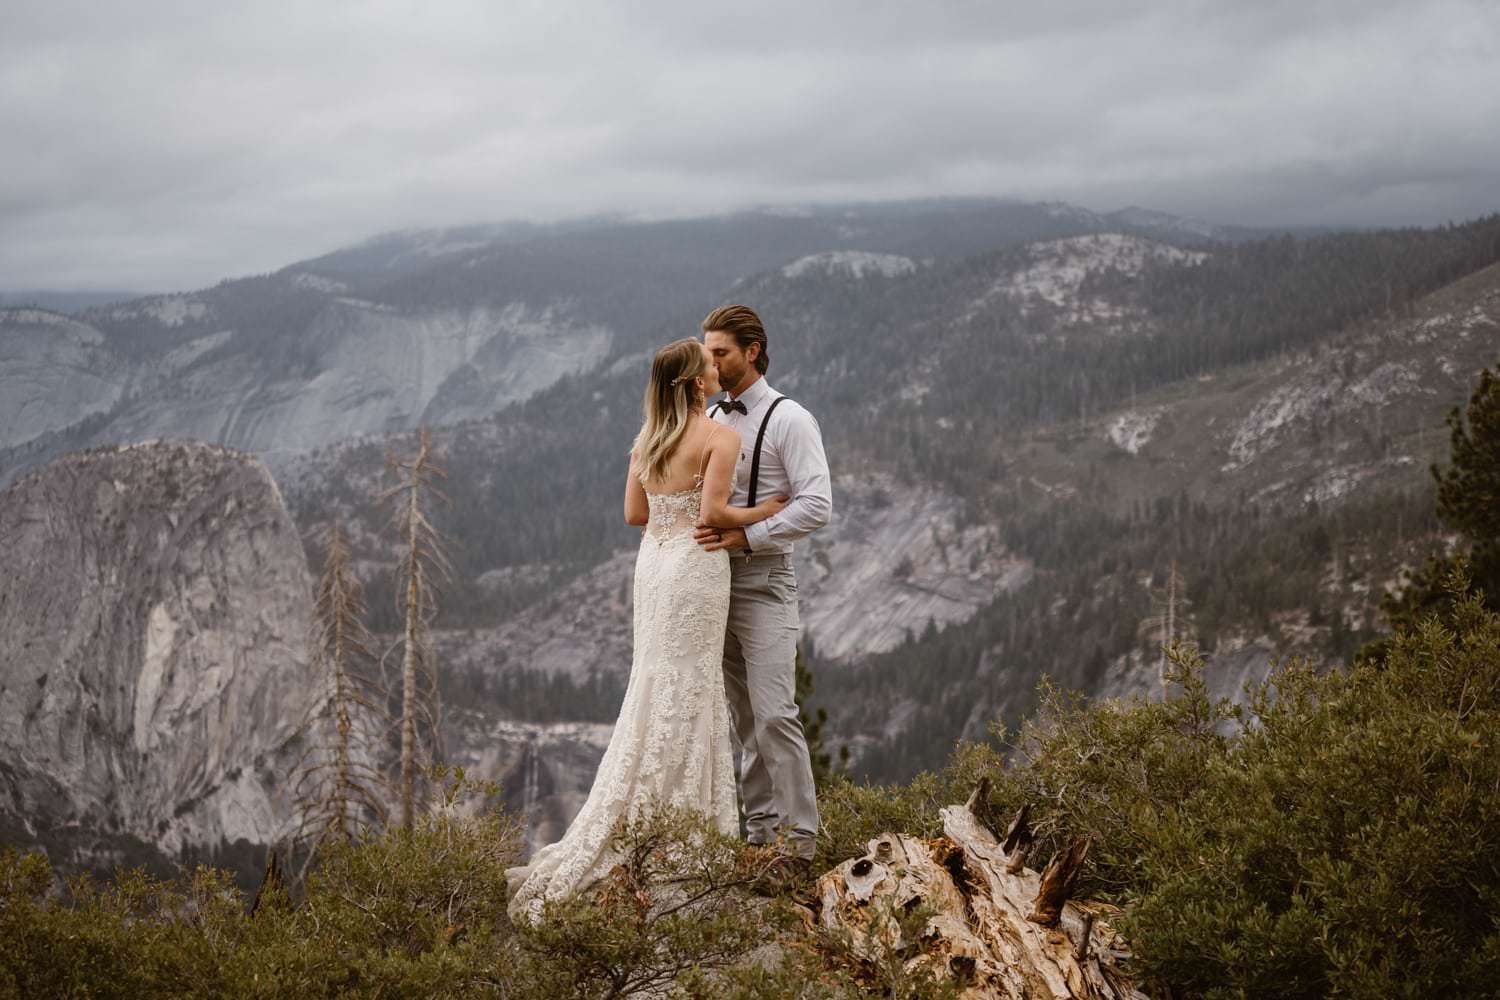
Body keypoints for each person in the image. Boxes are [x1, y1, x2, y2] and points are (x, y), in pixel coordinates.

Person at [507, 338, 788, 923]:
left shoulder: (646, 438)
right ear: (693, 383)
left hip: (655, 566)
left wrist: (671, 515)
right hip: (696, 565)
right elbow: (713, 515)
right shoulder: (719, 437)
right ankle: (687, 825)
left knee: (655, 683)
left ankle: (639, 813)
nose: (717, 370)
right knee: (692, 685)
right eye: (708, 365)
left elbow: (636, 515)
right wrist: (767, 511)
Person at [694, 304, 833, 887]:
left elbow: (817, 504)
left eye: (720, 352)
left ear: (752, 351)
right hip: (712, 583)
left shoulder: (789, 418)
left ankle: (801, 846)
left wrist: (747, 535)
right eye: (706, 352)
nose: (710, 362)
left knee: (776, 713)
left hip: (767, 579)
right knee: (744, 718)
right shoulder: (705, 414)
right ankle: (758, 841)